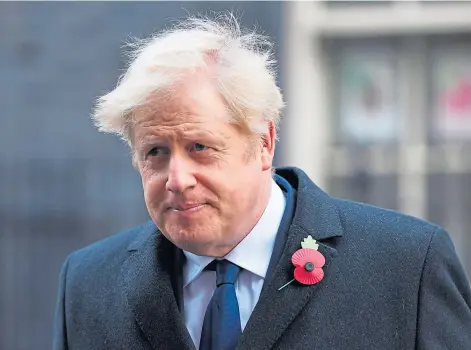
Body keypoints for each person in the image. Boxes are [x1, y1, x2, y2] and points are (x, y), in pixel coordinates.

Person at [53, 13, 471, 350]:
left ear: (264, 142)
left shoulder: (407, 266)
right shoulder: (88, 284)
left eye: (200, 146)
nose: (176, 179)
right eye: (155, 152)